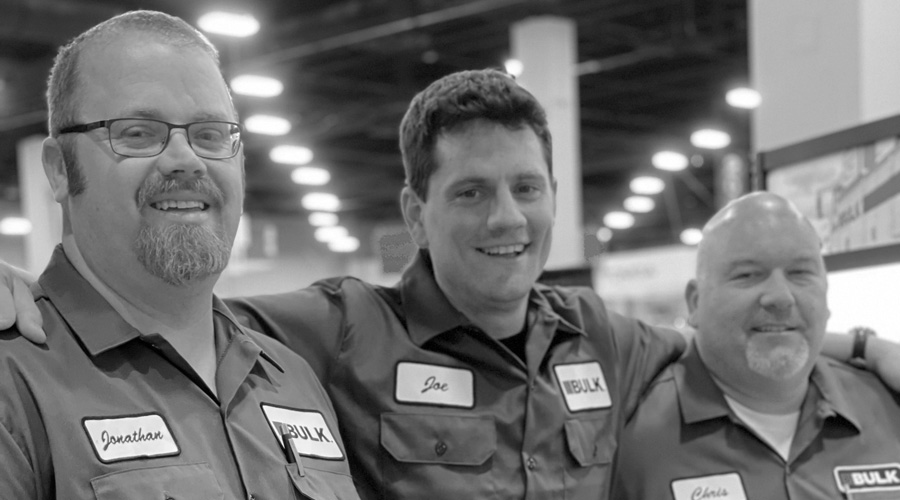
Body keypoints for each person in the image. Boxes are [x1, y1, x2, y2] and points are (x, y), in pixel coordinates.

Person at [2, 66, 898, 499]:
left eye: (526, 189)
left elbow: (734, 334)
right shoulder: (339, 329)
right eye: (469, 192)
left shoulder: (600, 337)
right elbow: (161, 312)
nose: (505, 219)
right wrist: (18, 288)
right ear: (416, 209)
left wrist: (860, 344)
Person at [0, 11, 359, 500]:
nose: (186, 158)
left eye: (210, 134)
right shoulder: (15, 382)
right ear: (59, 170)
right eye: (138, 132)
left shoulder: (288, 377)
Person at [610, 192, 900, 500]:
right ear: (695, 302)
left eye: (800, 273)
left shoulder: (889, 408)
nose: (780, 297)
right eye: (748, 275)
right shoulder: (627, 439)